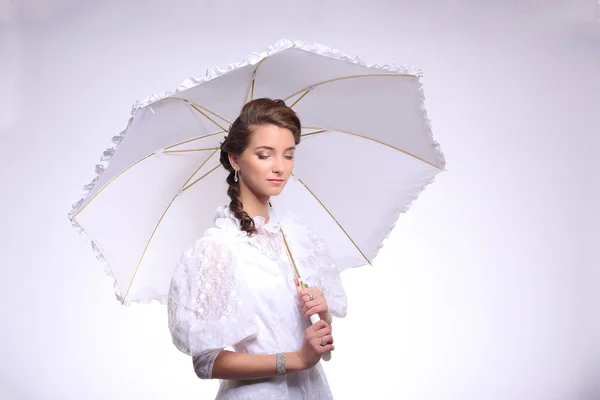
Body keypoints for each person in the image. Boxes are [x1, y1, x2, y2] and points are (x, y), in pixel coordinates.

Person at [167, 98, 348, 399]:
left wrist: (322, 317)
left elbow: (317, 347)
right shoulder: (219, 248)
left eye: (288, 155)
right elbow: (206, 362)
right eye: (264, 155)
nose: (280, 168)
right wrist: (295, 359)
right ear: (235, 159)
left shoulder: (296, 237)